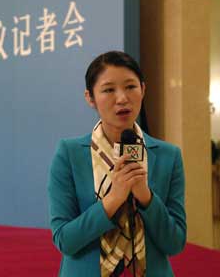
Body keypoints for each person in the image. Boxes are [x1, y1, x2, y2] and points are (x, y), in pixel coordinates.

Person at [48, 51, 186, 277]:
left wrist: (146, 197)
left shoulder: (168, 156)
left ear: (143, 89)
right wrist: (113, 199)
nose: (122, 98)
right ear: (90, 97)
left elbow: (175, 243)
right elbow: (65, 240)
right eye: (109, 89)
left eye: (130, 87)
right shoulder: (69, 154)